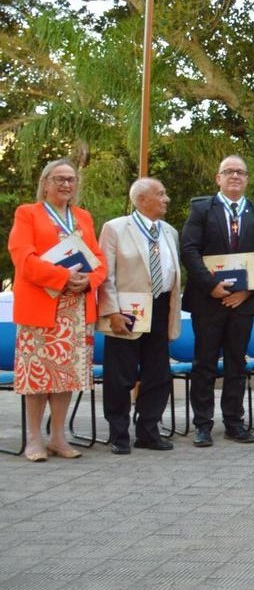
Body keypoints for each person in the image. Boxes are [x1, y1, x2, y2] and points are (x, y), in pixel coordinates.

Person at [7, 159, 107, 461]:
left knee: (67, 377)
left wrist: (88, 281)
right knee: (38, 377)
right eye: (59, 178)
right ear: (45, 182)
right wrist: (63, 277)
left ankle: (58, 437)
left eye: (71, 179)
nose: (66, 184)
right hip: (41, 307)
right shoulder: (28, 213)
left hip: (75, 312)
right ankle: (35, 439)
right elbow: (23, 258)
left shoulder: (83, 217)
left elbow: (100, 260)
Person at [181, 155, 254, 447]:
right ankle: (203, 425)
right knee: (205, 363)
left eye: (241, 172)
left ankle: (234, 422)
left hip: (243, 302)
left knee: (237, 363)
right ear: (218, 178)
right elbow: (189, 249)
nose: (235, 176)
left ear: (247, 179)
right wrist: (211, 286)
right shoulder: (201, 210)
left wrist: (246, 291)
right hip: (208, 300)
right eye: (229, 172)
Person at [98, 177, 180, 454]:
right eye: (161, 193)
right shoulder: (116, 228)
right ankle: (119, 433)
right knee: (120, 375)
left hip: (161, 307)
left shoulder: (169, 231)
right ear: (142, 199)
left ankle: (148, 430)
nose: (166, 198)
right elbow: (105, 274)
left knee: (158, 374)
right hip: (126, 310)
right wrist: (111, 311)